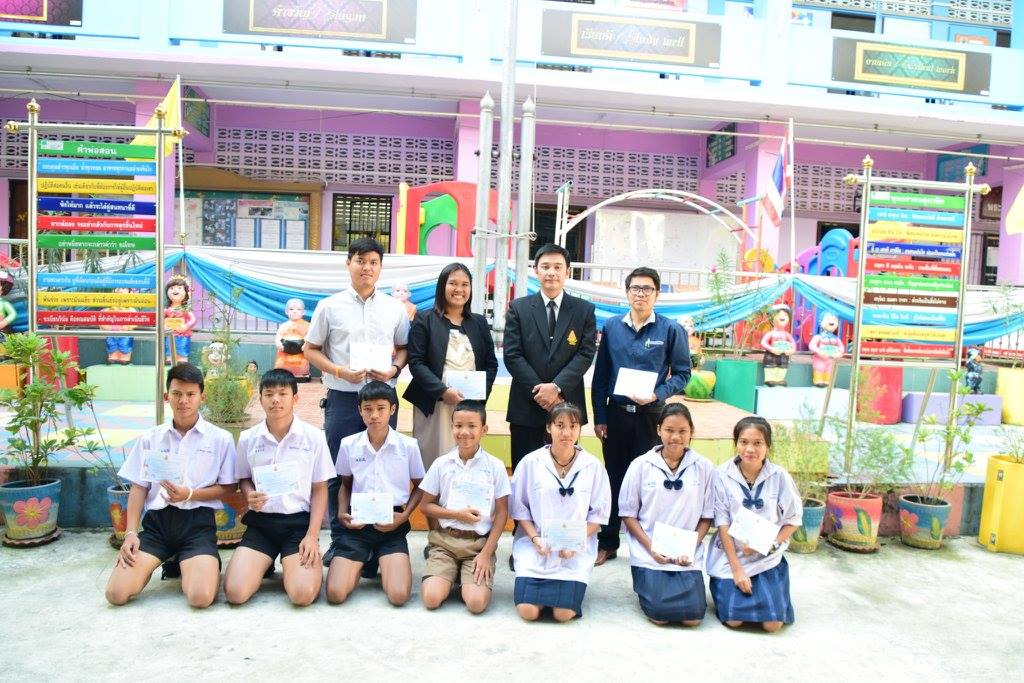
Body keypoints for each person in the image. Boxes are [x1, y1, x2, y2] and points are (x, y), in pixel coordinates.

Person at [304, 237, 410, 565]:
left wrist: (393, 369)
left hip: (382, 398)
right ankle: (340, 540)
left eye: (373, 262)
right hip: (342, 397)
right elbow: (310, 349)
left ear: (380, 267)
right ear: (348, 263)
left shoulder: (394, 309)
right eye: (360, 260)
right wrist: (339, 371)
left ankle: (378, 540)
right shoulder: (329, 306)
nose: (367, 267)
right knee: (340, 469)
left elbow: (404, 349)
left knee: (381, 468)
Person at [105, 364, 236, 608]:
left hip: (197, 526)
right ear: (167, 397)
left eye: (190, 394)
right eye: (177, 394)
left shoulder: (220, 439)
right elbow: (139, 487)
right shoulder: (151, 438)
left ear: (202, 397)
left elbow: (228, 488)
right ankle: (163, 562)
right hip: (158, 526)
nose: (183, 401)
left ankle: (196, 563)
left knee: (200, 597)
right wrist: (131, 533)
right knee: (116, 594)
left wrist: (190, 494)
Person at [591, 266, 691, 565]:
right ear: (627, 293)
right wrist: (600, 417)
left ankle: (651, 545)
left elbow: (683, 373)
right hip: (617, 416)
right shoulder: (612, 327)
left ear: (657, 294)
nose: (641, 294)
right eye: (635, 288)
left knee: (651, 481)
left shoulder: (670, 330)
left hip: (652, 418)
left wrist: (657, 394)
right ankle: (608, 542)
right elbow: (601, 375)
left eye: (647, 289)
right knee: (613, 478)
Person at [222, 369, 335, 606]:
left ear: (295, 398)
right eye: (269, 394)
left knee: (302, 595)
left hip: (298, 525)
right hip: (261, 524)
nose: (275, 399)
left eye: (283, 394)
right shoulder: (248, 438)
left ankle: (294, 565)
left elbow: (320, 488)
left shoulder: (313, 437)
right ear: (260, 398)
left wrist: (312, 536)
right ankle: (264, 562)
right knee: (235, 593)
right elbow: (244, 478)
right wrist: (249, 495)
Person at [326, 381, 424, 606]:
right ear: (359, 410)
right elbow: (345, 484)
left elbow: (420, 486)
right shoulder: (349, 444)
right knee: (335, 594)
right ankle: (365, 558)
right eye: (368, 409)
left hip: (392, 525)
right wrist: (341, 513)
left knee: (398, 596)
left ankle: (376, 558)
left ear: (392, 409)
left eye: (381, 408)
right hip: (358, 526)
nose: (374, 415)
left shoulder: (408, 446)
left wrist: (405, 515)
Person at [510, 403, 611, 622]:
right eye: (560, 425)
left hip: (574, 551)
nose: (566, 432)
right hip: (537, 549)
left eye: (573, 426)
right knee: (528, 611)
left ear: (580, 429)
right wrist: (535, 539)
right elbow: (519, 509)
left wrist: (575, 543)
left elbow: (599, 515)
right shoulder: (531, 462)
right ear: (549, 427)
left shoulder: (593, 466)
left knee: (563, 614)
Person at [619, 403, 715, 626]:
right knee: (659, 615)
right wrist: (651, 547)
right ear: (659, 429)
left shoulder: (704, 467)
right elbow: (628, 513)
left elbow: (706, 516)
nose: (675, 437)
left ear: (691, 431)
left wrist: (690, 547)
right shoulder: (640, 465)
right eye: (669, 430)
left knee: (693, 617)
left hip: (686, 554)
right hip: (649, 552)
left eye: (682, 431)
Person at [504, 244, 597, 472]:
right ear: (536, 271)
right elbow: (512, 354)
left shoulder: (584, 310)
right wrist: (541, 392)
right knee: (525, 471)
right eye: (545, 267)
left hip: (567, 406)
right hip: (526, 406)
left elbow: (586, 353)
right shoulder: (518, 308)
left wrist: (556, 388)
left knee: (564, 472)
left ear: (568, 271)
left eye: (557, 267)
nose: (551, 272)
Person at [706, 417, 802, 632]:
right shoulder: (721, 475)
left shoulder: (779, 476)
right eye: (743, 442)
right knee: (734, 621)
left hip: (766, 558)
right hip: (731, 557)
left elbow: (794, 520)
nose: (750, 449)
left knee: (772, 625)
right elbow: (722, 523)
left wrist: (768, 544)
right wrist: (737, 570)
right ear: (736, 443)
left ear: (768, 445)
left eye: (758, 443)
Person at [405, 263, 498, 473]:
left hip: (469, 404)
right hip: (435, 404)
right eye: (453, 283)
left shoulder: (479, 323)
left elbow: (490, 363)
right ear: (442, 286)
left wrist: (478, 396)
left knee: (465, 458)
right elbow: (416, 362)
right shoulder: (425, 319)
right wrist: (442, 391)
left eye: (465, 284)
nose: (459, 289)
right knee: (433, 459)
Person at [419, 400, 510, 614]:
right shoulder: (441, 463)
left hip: (477, 545)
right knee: (431, 599)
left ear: (484, 430)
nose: (464, 432)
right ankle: (449, 573)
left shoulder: (495, 467)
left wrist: (486, 553)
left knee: (476, 604)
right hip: (445, 542)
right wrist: (456, 515)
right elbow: (425, 506)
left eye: (472, 426)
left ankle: (463, 577)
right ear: (452, 427)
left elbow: (502, 513)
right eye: (458, 426)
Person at [275, 298, 311, 381]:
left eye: (298, 309)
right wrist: (278, 343)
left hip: (300, 352)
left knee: (302, 367)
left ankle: (301, 374)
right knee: (280, 364)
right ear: (286, 311)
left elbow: (309, 337)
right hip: (285, 351)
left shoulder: (307, 326)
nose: (295, 311)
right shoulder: (283, 325)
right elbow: (278, 336)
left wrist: (306, 344)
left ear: (303, 312)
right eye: (291, 309)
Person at [164, 274, 196, 365]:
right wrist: (164, 325)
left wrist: (186, 326)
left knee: (182, 349)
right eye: (172, 288)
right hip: (170, 334)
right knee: (169, 348)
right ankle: (169, 359)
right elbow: (160, 319)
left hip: (183, 335)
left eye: (179, 288)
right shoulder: (166, 310)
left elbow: (193, 320)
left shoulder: (185, 309)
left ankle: (182, 359)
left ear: (186, 292)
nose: (175, 290)